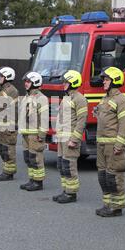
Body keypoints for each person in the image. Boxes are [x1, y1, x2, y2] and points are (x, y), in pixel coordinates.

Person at [95, 67, 125, 217]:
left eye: (107, 79)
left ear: (115, 81)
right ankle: (107, 204)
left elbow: (124, 124)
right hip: (101, 143)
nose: (103, 82)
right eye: (104, 79)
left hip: (112, 145)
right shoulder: (105, 99)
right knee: (103, 176)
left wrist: (119, 144)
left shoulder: (122, 100)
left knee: (114, 176)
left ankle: (116, 207)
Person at [52, 70, 88, 204]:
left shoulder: (80, 99)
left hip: (70, 139)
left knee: (69, 165)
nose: (63, 84)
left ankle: (71, 193)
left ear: (73, 82)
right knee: (61, 165)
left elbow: (81, 121)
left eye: (66, 82)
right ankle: (65, 190)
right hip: (62, 138)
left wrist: (74, 139)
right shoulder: (67, 98)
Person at [18, 71, 48, 191]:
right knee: (28, 157)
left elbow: (44, 118)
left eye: (28, 81)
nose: (26, 83)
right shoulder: (27, 97)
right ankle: (32, 179)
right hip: (26, 132)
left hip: (35, 134)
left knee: (36, 158)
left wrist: (42, 134)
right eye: (25, 81)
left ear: (35, 82)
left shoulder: (42, 98)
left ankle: (38, 182)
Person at [0, 67, 19, 181]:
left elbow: (14, 109)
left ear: (7, 77)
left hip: (8, 125)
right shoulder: (3, 90)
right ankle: (5, 170)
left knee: (8, 149)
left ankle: (9, 173)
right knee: (2, 149)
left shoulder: (11, 90)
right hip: (2, 125)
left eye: (1, 76)